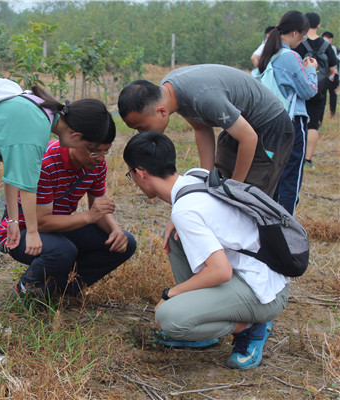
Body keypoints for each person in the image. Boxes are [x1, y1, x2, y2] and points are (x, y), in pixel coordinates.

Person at [0, 84, 111, 363]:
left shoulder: (37, 113)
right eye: (91, 148)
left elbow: (14, 174)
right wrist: (33, 232)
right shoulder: (36, 125)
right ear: (75, 134)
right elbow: (27, 185)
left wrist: (14, 219)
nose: (94, 157)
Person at [123, 131, 290, 370]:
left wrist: (171, 294)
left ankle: (253, 327)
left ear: (141, 173)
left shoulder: (184, 210)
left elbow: (220, 272)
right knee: (175, 237)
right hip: (260, 271)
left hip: (264, 293)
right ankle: (203, 329)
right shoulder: (194, 177)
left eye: (131, 175)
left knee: (169, 318)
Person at [0, 116, 137, 300]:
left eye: (106, 152)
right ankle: (27, 287)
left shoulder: (96, 164)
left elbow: (98, 206)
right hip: (23, 232)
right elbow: (43, 223)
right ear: (75, 140)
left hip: (59, 228)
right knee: (63, 250)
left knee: (124, 243)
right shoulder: (46, 162)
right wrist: (89, 216)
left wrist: (115, 230)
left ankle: (64, 288)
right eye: (95, 152)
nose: (100, 159)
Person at [117, 64, 294, 198]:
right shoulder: (169, 91)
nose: (142, 134)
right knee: (217, 185)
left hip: (269, 127)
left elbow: (248, 138)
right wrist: (205, 181)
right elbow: (201, 129)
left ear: (161, 111)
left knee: (250, 196)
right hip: (237, 124)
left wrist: (235, 189)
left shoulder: (203, 98)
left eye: (142, 127)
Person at [254, 10, 318, 215]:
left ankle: (268, 220)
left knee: (272, 173)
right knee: (291, 175)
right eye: (304, 36)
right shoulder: (291, 57)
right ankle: (286, 225)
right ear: (296, 33)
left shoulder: (265, 52)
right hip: (291, 123)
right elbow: (308, 90)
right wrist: (310, 70)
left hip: (267, 123)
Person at [293, 12, 338, 167]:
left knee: (296, 121)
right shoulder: (327, 46)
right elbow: (333, 68)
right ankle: (308, 159)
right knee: (313, 124)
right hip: (319, 90)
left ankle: (295, 154)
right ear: (319, 25)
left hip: (299, 88)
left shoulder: (298, 42)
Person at [322, 31, 339, 117]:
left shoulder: (321, 47)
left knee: (324, 95)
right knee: (332, 94)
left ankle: (325, 113)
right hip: (332, 74)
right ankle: (332, 112)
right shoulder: (334, 49)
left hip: (323, 74)